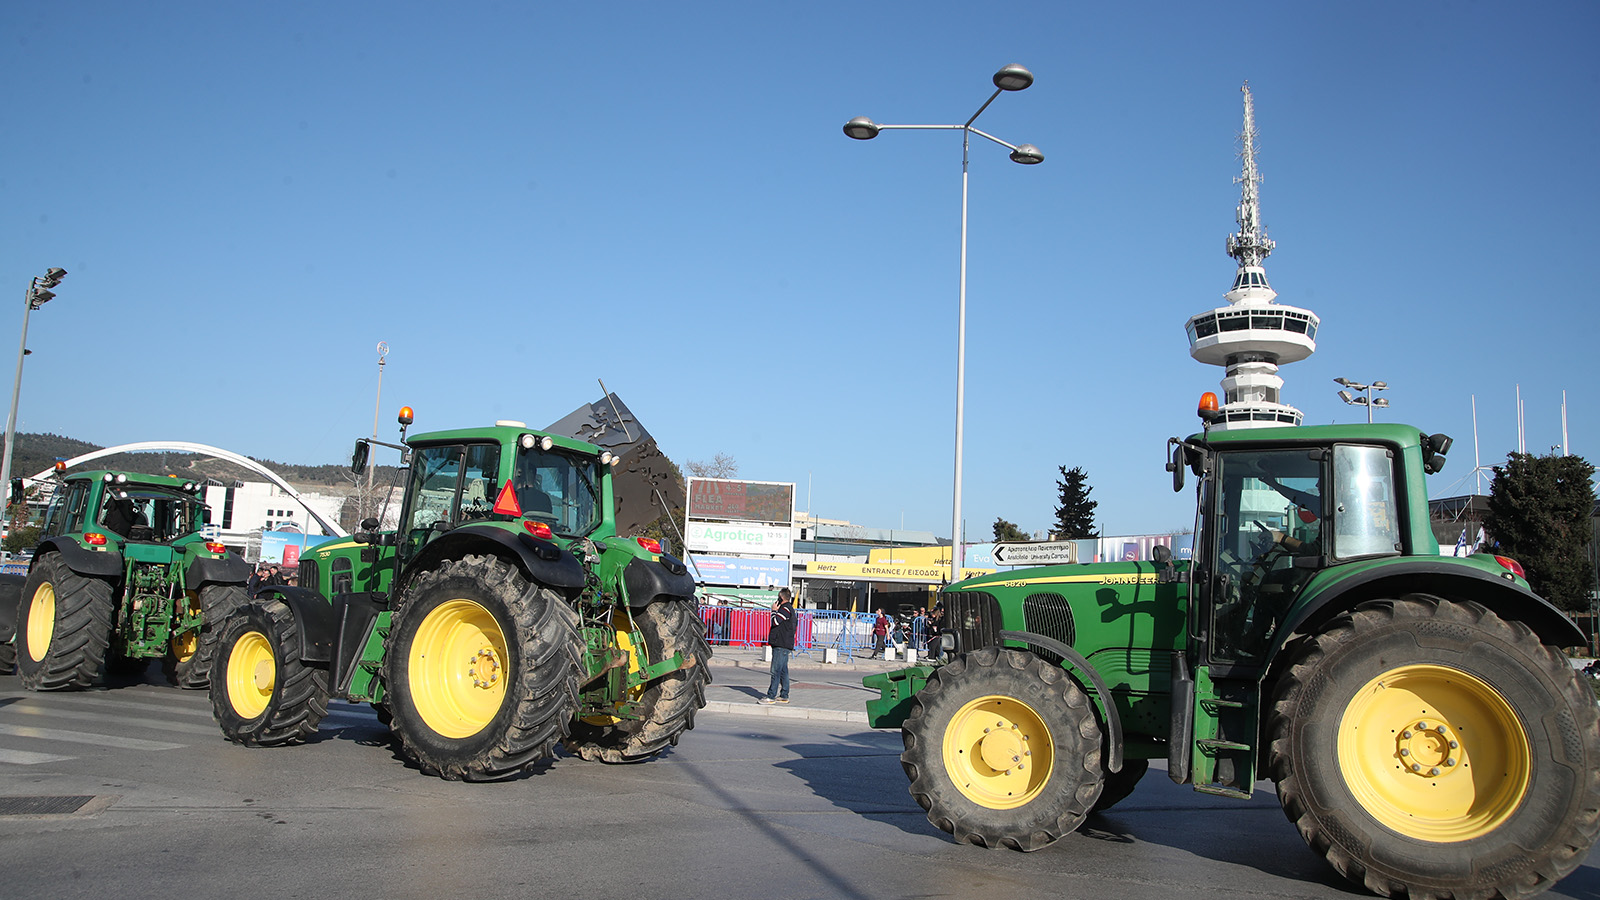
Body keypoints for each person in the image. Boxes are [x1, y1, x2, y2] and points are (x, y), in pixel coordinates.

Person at [759, 588, 797, 704]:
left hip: (781, 644)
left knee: (775, 670)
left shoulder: (785, 609)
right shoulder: (788, 609)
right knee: (783, 671)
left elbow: (775, 622)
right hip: (783, 643)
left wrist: (774, 611)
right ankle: (784, 695)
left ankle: (771, 696)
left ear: (781, 597)